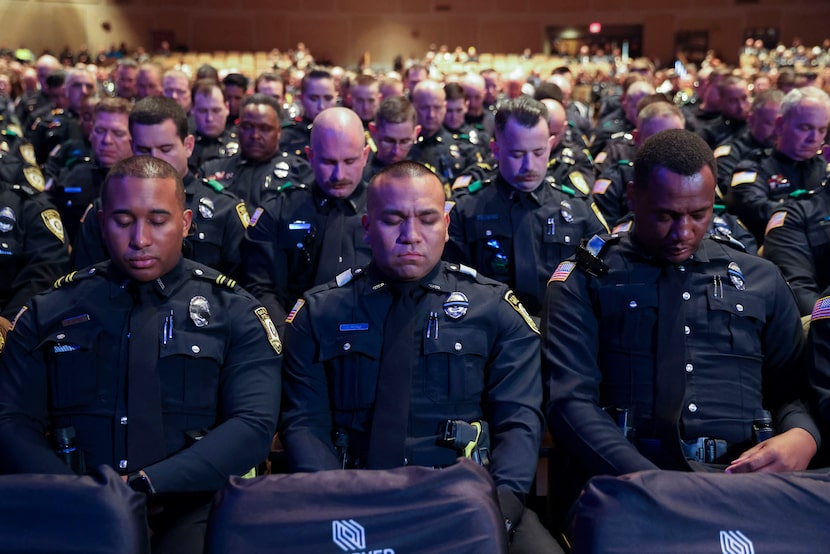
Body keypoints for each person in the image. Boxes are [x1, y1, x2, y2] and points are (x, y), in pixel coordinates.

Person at [0, 155, 282, 554]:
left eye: (158, 220)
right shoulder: (50, 313)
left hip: (195, 507)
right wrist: (81, 493)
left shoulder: (234, 311)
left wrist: (146, 483)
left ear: (184, 223)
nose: (140, 239)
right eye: (123, 220)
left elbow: (253, 427)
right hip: (74, 504)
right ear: (101, 224)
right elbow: (11, 421)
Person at [280, 160, 562, 554]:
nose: (410, 236)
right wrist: (336, 504)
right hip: (353, 497)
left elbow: (518, 420)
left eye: (427, 219)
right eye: (393, 220)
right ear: (366, 227)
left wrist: (499, 510)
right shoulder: (320, 313)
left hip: (465, 497)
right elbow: (304, 424)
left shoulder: (493, 308)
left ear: (447, 225)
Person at [542, 129, 819, 524]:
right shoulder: (586, 280)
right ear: (634, 197)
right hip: (631, 485)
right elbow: (569, 402)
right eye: (666, 215)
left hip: (746, 481)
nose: (683, 232)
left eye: (698, 215)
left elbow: (792, 390)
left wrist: (802, 437)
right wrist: (652, 482)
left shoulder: (760, 277)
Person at [446, 96, 607, 316]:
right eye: (517, 154)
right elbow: (453, 290)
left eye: (538, 152)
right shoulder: (466, 210)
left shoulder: (578, 209)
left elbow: (603, 283)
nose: (529, 165)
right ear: (495, 149)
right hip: (491, 333)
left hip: (562, 330)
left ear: (550, 144)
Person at [73, 96, 248, 277]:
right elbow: (85, 283)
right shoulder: (109, 207)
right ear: (132, 147)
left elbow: (239, 291)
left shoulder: (224, 209)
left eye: (165, 149)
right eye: (144, 150)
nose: (155, 158)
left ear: (188, 146)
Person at [241, 107, 371, 324]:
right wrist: (288, 339)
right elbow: (260, 287)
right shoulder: (278, 211)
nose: (339, 174)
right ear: (310, 156)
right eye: (328, 162)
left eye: (349, 161)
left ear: (365, 156)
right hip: (293, 335)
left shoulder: (388, 212)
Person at [725, 86, 830, 244]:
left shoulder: (824, 167)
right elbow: (757, 210)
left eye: (821, 130)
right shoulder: (752, 167)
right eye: (806, 128)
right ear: (780, 124)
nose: (814, 138)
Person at [201, 94, 312, 211]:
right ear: (238, 128)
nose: (255, 135)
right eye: (247, 127)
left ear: (279, 131)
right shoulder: (212, 169)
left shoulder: (300, 172)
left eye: (265, 129)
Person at [47, 97, 133, 243]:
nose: (107, 140)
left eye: (117, 133)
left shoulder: (144, 183)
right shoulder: (70, 174)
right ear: (91, 133)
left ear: (134, 137)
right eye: (100, 131)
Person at [408, 80, 481, 196]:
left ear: (444, 107)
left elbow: (476, 186)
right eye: (424, 108)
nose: (431, 114)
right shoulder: (403, 146)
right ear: (413, 107)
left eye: (436, 107)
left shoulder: (462, 146)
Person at [713, 89, 783, 198]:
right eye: (770, 123)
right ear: (751, 120)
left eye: (781, 124)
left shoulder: (791, 154)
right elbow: (734, 195)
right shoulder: (730, 154)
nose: (776, 130)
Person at [279, 69, 338, 157]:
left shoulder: (346, 133)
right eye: (314, 99)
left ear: (336, 97)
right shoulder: (287, 136)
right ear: (301, 98)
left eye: (328, 98)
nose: (321, 106)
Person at [188, 80, 238, 174]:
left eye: (216, 111)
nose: (209, 118)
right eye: (203, 111)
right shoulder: (183, 145)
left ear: (227, 108)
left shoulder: (242, 143)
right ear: (193, 109)